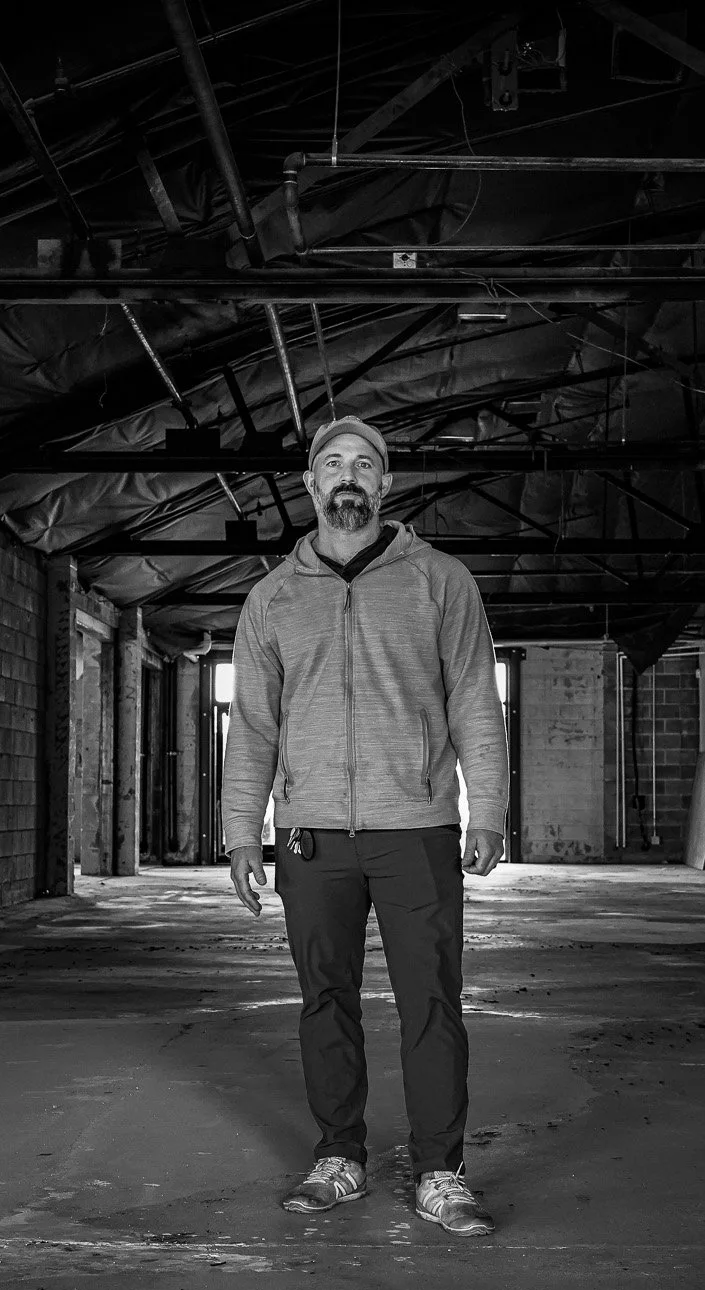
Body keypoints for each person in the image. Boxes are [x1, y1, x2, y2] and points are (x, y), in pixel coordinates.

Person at [222, 414, 508, 1238]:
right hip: (311, 835)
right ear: (310, 486)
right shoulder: (272, 598)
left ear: (386, 486)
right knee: (326, 1001)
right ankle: (339, 1154)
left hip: (415, 828)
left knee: (431, 1002)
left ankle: (441, 1171)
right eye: (332, 465)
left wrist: (484, 806)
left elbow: (474, 702)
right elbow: (252, 725)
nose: (348, 477)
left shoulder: (440, 581)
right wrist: (244, 829)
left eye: (365, 465)